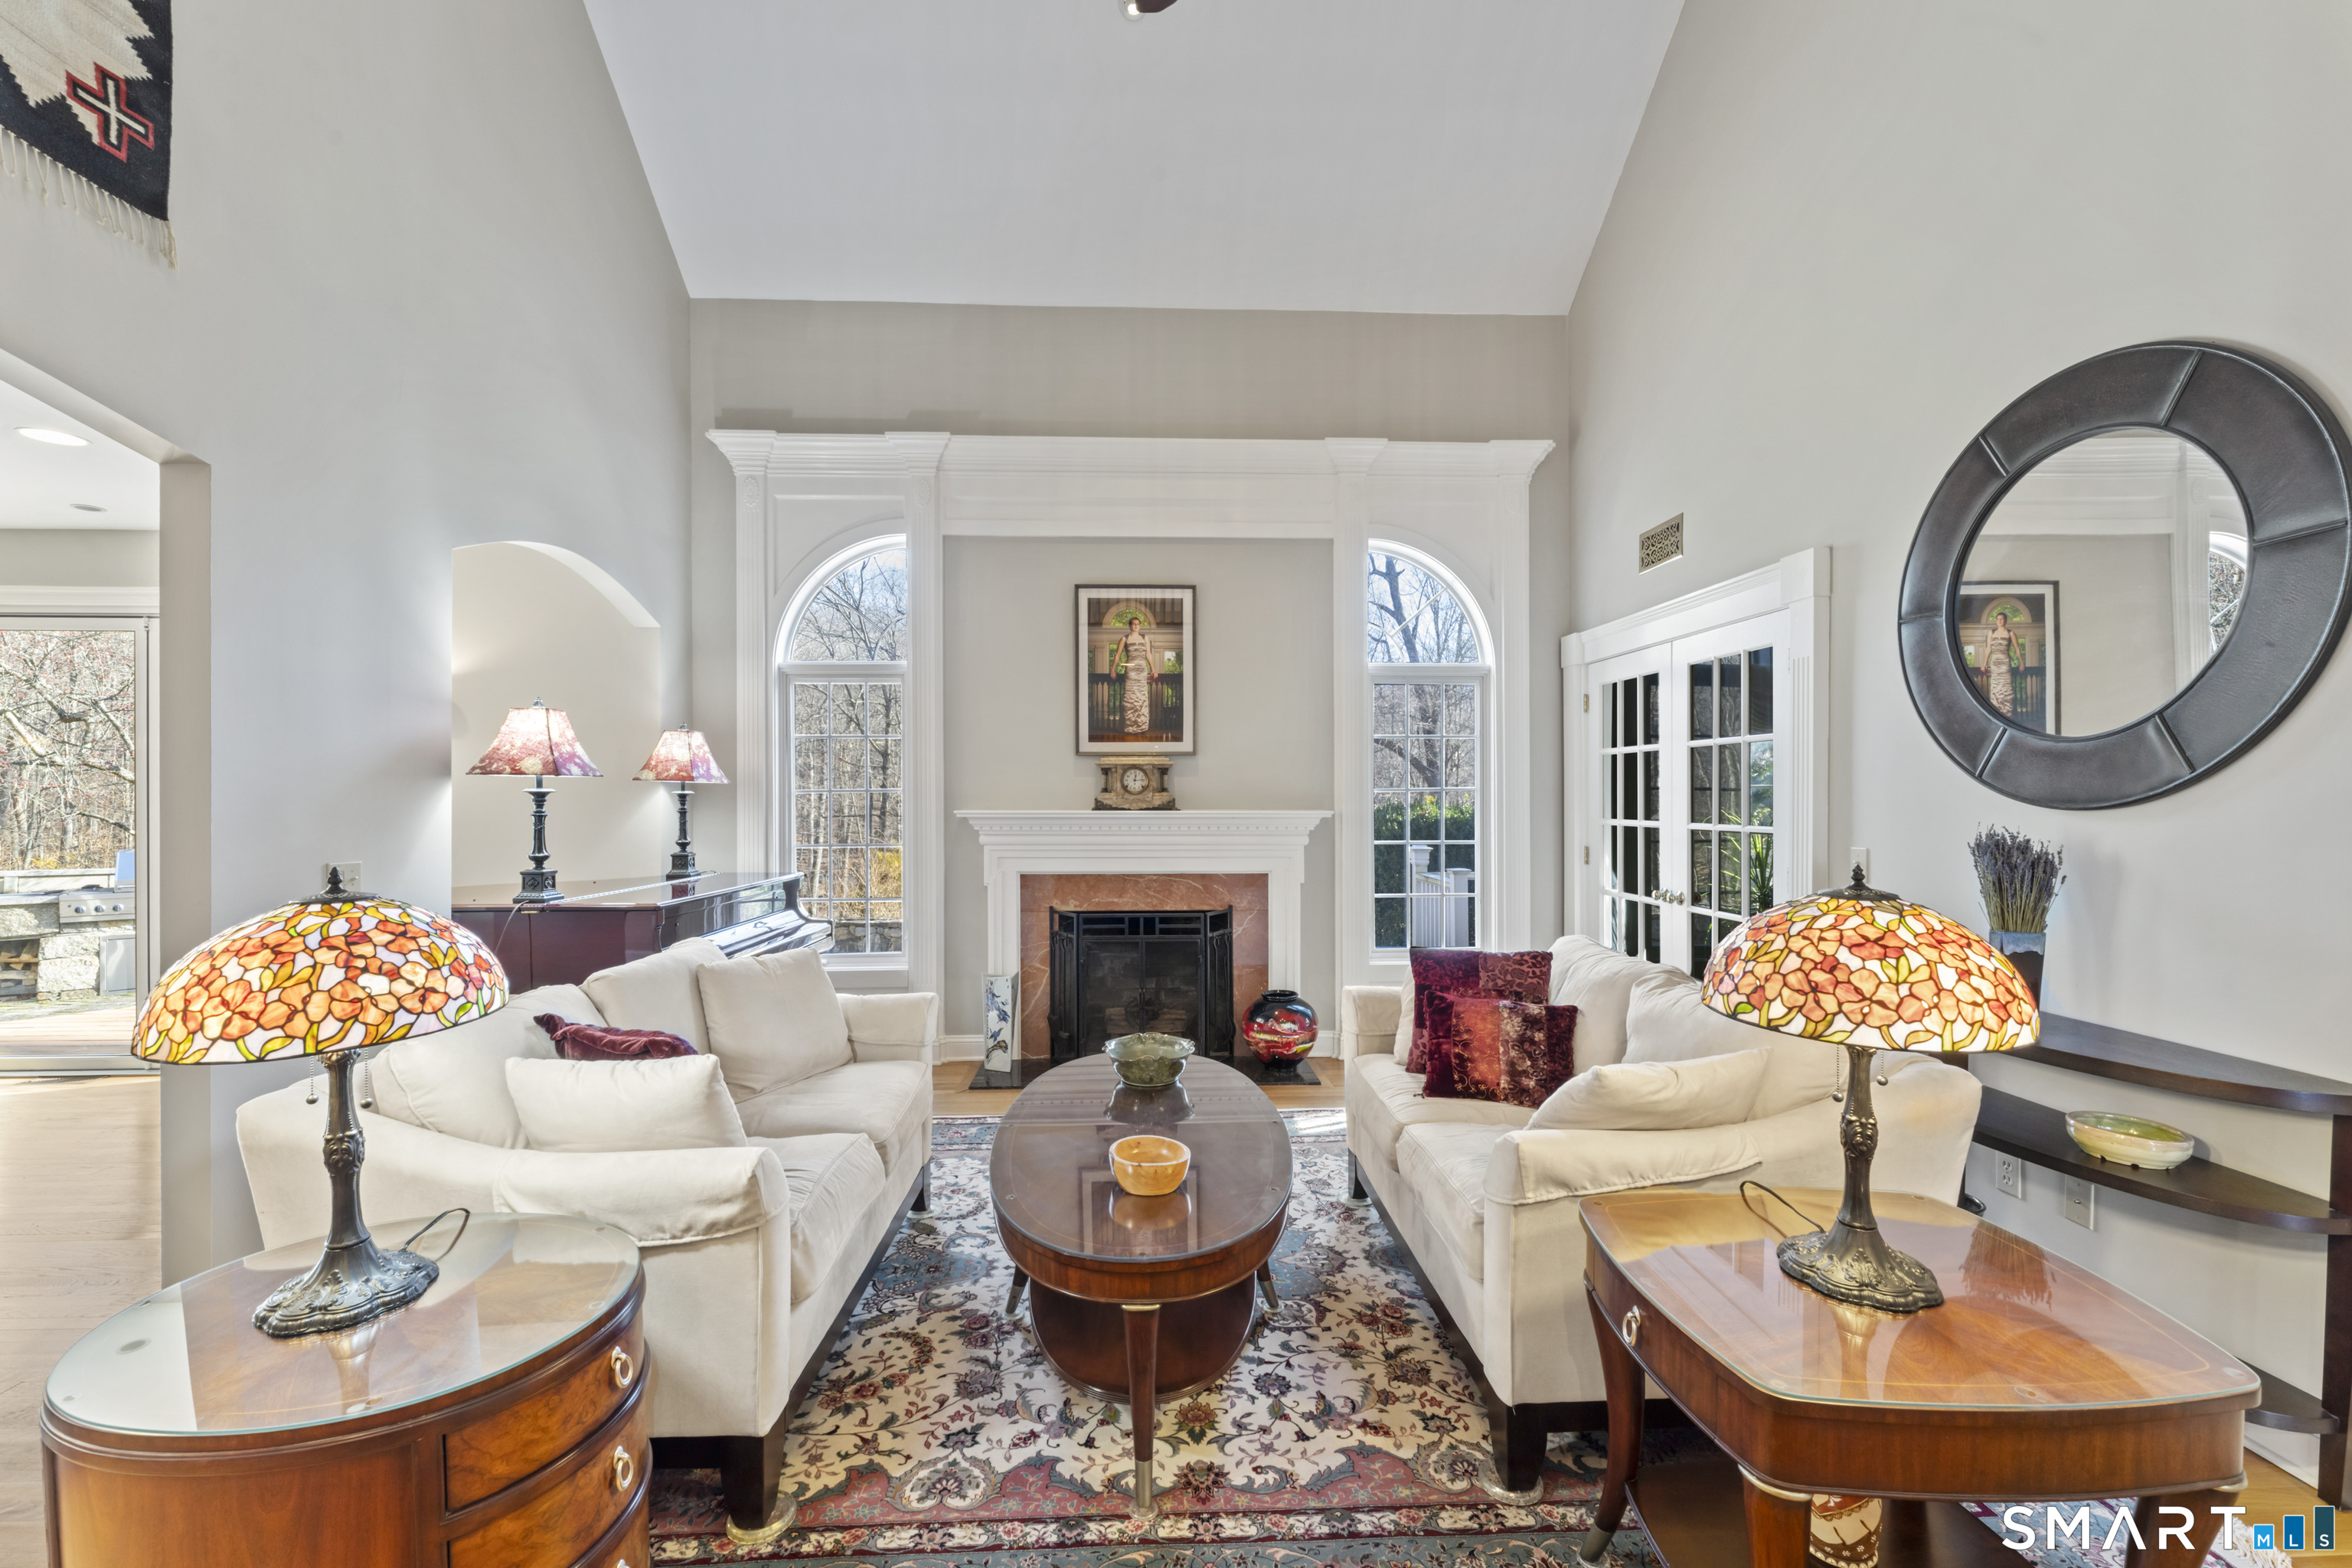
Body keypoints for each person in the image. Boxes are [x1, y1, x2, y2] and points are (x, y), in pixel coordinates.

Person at [1114, 612, 1155, 735]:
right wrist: (1113, 669)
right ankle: (1130, 727)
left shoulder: (1144, 638)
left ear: (1140, 626)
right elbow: (1117, 655)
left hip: (1142, 670)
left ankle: (1141, 727)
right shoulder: (1125, 638)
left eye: (1138, 624)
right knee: (1131, 698)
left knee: (1141, 697)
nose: (1136, 626)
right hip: (1131, 671)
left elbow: (1148, 654)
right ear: (1130, 626)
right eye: (1133, 624)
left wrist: (1153, 669)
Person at [1985, 609, 2016, 718]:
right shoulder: (1992, 632)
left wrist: (2022, 663)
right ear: (1996, 621)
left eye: (2002, 619)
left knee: (2006, 688)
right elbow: (1989, 648)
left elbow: (2017, 649)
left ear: (2005, 621)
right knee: (1996, 689)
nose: (2000, 621)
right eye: (1998, 619)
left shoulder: (2010, 633)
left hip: (2005, 664)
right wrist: (1985, 663)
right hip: (1995, 664)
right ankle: (1998, 715)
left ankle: (2008, 716)